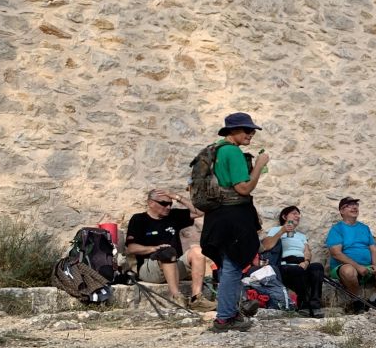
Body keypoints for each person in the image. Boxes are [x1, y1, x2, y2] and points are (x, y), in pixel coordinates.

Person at [200, 112, 269, 332]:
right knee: (232, 266)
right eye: (247, 130)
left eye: (252, 131)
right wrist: (259, 165)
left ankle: (231, 310)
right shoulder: (232, 152)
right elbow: (243, 188)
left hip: (216, 217)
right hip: (233, 217)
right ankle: (224, 318)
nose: (251, 135)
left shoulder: (216, 150)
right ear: (233, 131)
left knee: (227, 267)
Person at [125, 189, 215, 311]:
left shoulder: (173, 216)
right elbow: (131, 248)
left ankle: (196, 298)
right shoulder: (139, 219)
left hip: (175, 264)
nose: (167, 207)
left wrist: (178, 197)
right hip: (150, 268)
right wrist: (154, 248)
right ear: (151, 203)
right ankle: (176, 297)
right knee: (167, 252)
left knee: (198, 251)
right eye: (163, 203)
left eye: (170, 204)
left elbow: (200, 212)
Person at [260, 206, 325, 317]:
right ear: (284, 216)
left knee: (317, 267)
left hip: (301, 263)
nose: (297, 216)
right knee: (296, 270)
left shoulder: (301, 236)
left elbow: (307, 251)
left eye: (298, 214)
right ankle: (304, 304)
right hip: (285, 265)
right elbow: (266, 246)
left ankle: (315, 305)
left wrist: (306, 262)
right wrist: (282, 231)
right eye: (294, 213)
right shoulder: (276, 230)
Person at [326, 197, 376, 313]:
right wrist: (358, 267)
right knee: (349, 271)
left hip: (367, 267)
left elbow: (373, 249)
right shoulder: (337, 229)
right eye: (349, 205)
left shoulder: (364, 228)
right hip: (344, 267)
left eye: (355, 205)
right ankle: (357, 301)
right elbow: (336, 253)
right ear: (342, 212)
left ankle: (374, 300)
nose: (354, 207)